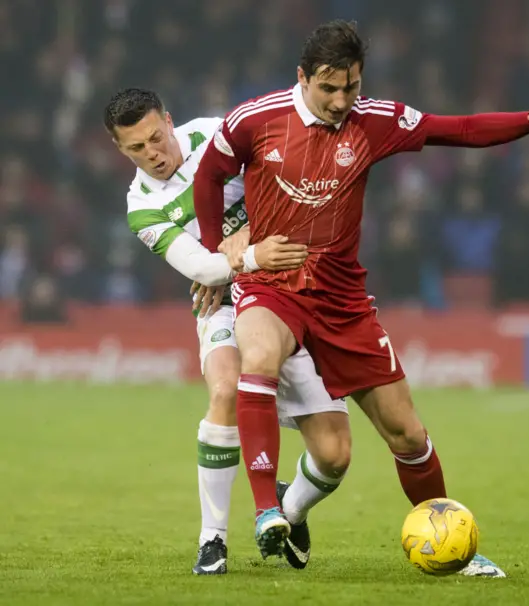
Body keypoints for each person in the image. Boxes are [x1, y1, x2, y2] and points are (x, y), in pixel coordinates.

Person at [193, 20, 529, 577]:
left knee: (407, 434)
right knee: (258, 359)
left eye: (352, 87)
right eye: (329, 88)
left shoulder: (375, 121)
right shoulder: (255, 120)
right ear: (302, 77)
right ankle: (267, 509)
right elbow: (210, 176)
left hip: (342, 299)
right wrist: (220, 257)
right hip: (274, 285)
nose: (342, 100)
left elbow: (457, 129)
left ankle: (453, 546)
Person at [104, 88, 353, 575]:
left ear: (170, 120)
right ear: (121, 150)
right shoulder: (141, 207)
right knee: (224, 388)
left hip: (292, 290)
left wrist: (243, 242)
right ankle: (212, 541)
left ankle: (291, 507)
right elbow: (199, 266)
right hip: (223, 301)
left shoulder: (220, 135)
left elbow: (290, 186)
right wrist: (240, 257)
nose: (152, 153)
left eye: (156, 137)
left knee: (334, 456)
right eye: (137, 148)